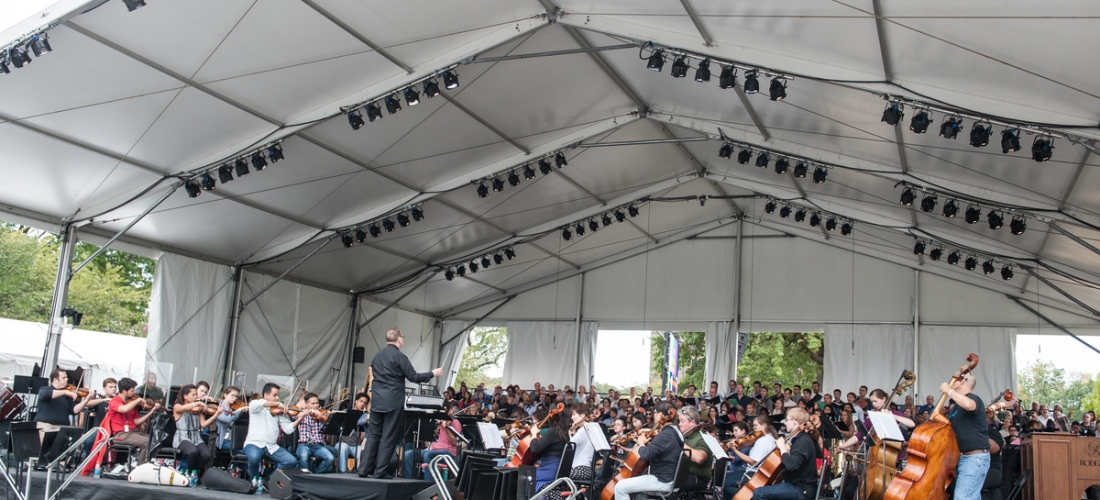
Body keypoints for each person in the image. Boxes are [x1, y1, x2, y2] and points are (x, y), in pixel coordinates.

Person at [359, 328, 443, 478]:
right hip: (393, 401)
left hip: (377, 401)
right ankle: (380, 472)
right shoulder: (399, 357)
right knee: (388, 436)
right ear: (399, 339)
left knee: (373, 435)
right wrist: (433, 373)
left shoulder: (377, 356)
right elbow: (414, 377)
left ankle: (363, 470)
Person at [613, 402, 683, 500]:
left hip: (662, 480)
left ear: (660, 415)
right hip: (669, 478)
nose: (654, 415)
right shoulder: (675, 431)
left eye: (655, 412)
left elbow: (645, 455)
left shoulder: (665, 435)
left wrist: (641, 443)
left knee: (620, 487)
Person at [244, 383, 306, 486]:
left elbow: (288, 429)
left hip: (271, 446)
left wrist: (300, 418)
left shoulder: (279, 412)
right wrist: (279, 404)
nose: (277, 398)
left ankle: (267, 480)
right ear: (266, 395)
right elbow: (261, 404)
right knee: (254, 458)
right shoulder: (255, 404)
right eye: (274, 395)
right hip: (254, 443)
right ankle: (253, 482)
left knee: (291, 461)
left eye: (278, 396)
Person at [750, 408, 818, 500]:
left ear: (794, 421)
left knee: (759, 493)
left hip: (801, 489)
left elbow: (791, 465)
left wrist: (782, 448)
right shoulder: (799, 439)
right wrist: (787, 450)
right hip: (796, 485)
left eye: (787, 420)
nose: (785, 423)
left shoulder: (803, 441)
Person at [941, 373, 989, 500]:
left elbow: (968, 405)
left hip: (974, 457)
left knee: (963, 498)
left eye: (956, 379)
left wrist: (949, 391)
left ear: (963, 381)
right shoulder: (955, 407)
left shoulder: (974, 398)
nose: (952, 380)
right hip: (963, 458)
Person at [172, 384, 222, 481]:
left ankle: (192, 471)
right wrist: (197, 404)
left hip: (196, 437)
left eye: (196, 395)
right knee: (193, 451)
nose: (196, 397)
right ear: (185, 396)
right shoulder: (178, 406)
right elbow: (181, 409)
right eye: (193, 395)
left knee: (207, 454)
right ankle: (190, 474)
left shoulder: (197, 411)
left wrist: (215, 415)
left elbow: (203, 424)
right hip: (182, 437)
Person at [106, 377, 161, 464]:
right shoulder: (114, 401)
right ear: (124, 391)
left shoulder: (132, 403)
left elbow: (136, 422)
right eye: (132, 391)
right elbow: (124, 409)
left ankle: (148, 463)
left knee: (155, 440)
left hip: (133, 432)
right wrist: (138, 400)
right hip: (121, 434)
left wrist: (152, 411)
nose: (134, 393)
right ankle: (141, 465)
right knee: (147, 442)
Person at [724, 415, 778, 500]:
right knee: (726, 477)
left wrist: (735, 450)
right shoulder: (770, 438)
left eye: (756, 425)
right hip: (754, 472)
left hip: (754, 473)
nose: (753, 428)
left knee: (726, 483)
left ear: (764, 426)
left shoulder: (763, 441)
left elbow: (753, 461)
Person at [402, 402, 460, 479]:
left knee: (428, 455)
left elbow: (456, 442)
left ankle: (428, 484)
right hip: (433, 450)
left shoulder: (455, 422)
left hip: (448, 453)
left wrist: (446, 428)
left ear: (451, 411)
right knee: (408, 454)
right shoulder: (437, 420)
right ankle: (409, 482)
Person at [296, 393, 336, 473]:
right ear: (307, 404)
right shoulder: (301, 413)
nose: (316, 405)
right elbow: (292, 413)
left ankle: (314, 474)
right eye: (313, 403)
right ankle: (305, 476)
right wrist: (303, 413)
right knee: (303, 457)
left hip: (318, 445)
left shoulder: (321, 415)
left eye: (317, 403)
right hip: (304, 444)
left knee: (330, 457)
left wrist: (323, 418)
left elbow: (331, 426)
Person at [679, 406, 714, 491]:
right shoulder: (684, 436)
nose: (679, 424)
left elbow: (700, 458)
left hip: (696, 478)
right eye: (679, 421)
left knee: (669, 483)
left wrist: (681, 443)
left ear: (692, 422)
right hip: (684, 475)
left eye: (682, 421)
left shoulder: (703, 437)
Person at [337, 393, 369, 473]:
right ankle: (342, 472)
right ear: (356, 401)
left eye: (365, 403)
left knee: (362, 454)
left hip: (356, 445)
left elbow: (362, 436)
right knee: (343, 449)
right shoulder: (346, 412)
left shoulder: (364, 417)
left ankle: (358, 472)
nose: (362, 404)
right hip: (343, 443)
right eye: (361, 401)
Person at [215, 386, 245, 452]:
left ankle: (235, 463)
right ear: (225, 395)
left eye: (236, 396)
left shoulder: (232, 409)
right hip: (223, 441)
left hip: (233, 440)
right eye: (232, 395)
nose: (234, 398)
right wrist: (239, 410)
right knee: (244, 452)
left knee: (247, 450)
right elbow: (227, 419)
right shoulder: (219, 408)